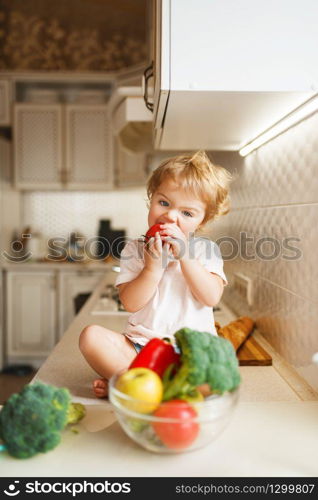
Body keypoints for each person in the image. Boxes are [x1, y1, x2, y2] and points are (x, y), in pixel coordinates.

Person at [79, 150, 231, 397]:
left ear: (202, 222)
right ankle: (144, 387)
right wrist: (152, 268)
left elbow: (211, 297)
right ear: (151, 199)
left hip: (191, 352)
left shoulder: (205, 250)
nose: (170, 215)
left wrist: (185, 257)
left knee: (217, 380)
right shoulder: (134, 249)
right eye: (164, 202)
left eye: (187, 213)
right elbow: (130, 303)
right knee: (90, 337)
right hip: (140, 348)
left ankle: (130, 387)